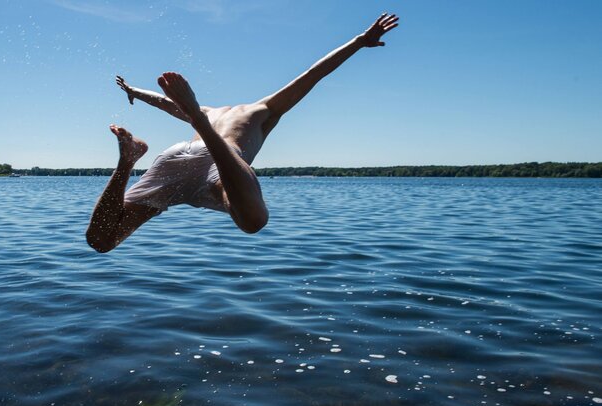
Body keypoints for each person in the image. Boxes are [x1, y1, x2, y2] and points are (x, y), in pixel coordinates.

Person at [86, 13, 399, 253]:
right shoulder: (261, 110)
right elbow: (311, 75)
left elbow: (164, 103)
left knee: (102, 240)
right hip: (219, 166)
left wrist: (133, 91)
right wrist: (358, 42)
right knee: (254, 222)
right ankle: (199, 128)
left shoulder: (212, 109)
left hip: (179, 158)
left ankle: (128, 161)